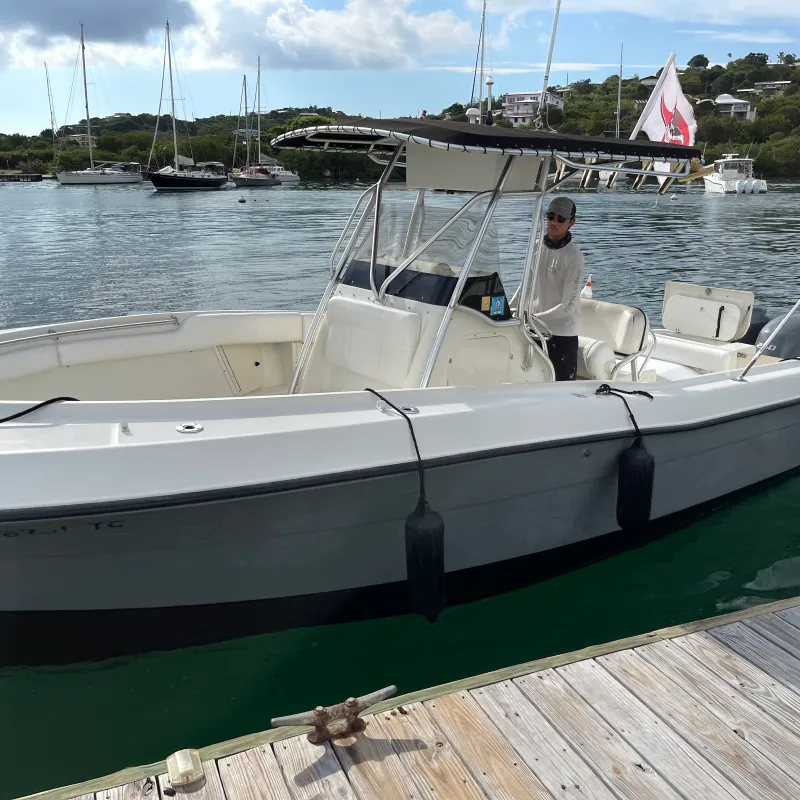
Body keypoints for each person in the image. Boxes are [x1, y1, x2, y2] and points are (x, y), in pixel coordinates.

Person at [529, 196, 585, 381]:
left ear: (572, 223)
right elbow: (526, 286)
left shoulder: (574, 258)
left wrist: (532, 317)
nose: (554, 222)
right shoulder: (536, 247)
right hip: (533, 331)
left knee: (559, 395)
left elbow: (567, 307)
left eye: (561, 219)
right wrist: (510, 309)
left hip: (562, 336)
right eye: (550, 216)